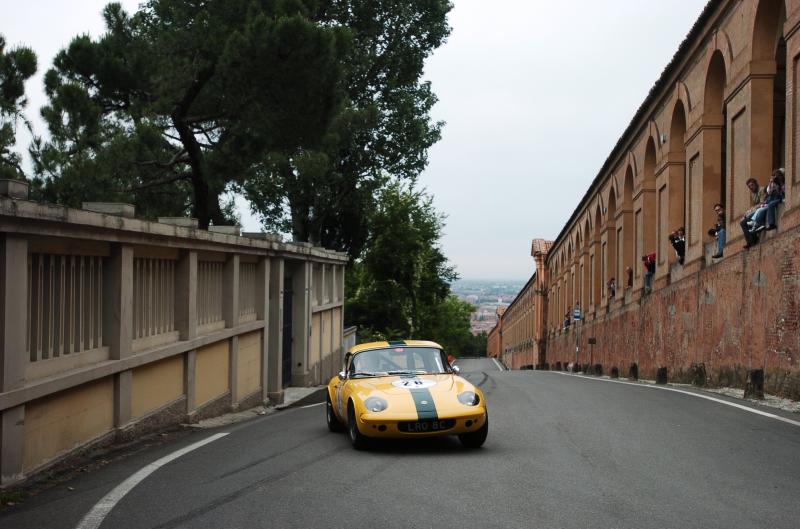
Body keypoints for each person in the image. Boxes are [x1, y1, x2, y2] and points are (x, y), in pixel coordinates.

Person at [750, 169, 785, 234]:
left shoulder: (783, 182)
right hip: (775, 198)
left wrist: (780, 184)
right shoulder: (774, 183)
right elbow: (769, 192)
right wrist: (771, 182)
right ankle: (755, 222)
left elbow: (783, 192)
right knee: (767, 201)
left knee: (770, 204)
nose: (776, 177)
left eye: (777, 176)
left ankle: (771, 224)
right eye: (774, 176)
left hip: (782, 198)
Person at [739, 178, 768, 249]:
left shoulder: (761, 190)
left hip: (763, 208)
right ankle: (751, 240)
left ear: (756, 183)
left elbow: (762, 203)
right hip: (757, 210)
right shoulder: (753, 194)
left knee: (745, 221)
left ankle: (751, 241)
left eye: (752, 185)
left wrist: (751, 210)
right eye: (749, 186)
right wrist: (749, 211)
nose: (751, 187)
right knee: (743, 221)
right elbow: (755, 205)